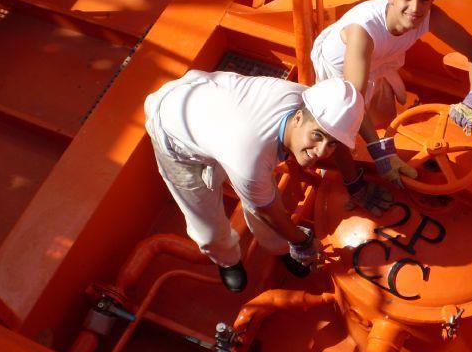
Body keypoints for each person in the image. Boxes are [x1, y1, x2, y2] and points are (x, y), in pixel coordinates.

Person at [144, 71, 391, 293]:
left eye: (332, 143)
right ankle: (227, 259)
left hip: (215, 107)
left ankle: (280, 250)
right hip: (176, 131)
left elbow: (330, 135)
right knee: (208, 227)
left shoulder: (311, 103)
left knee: (259, 190)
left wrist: (355, 182)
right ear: (297, 118)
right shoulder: (250, 157)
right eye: (317, 137)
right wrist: (302, 241)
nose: (321, 151)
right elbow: (267, 211)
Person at [311, 0, 472, 188]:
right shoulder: (363, 31)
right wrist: (381, 154)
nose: (416, 8)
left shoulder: (430, 16)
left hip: (378, 63)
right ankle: (338, 177)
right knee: (343, 130)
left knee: (381, 118)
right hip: (338, 71)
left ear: (432, 1)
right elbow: (353, 103)